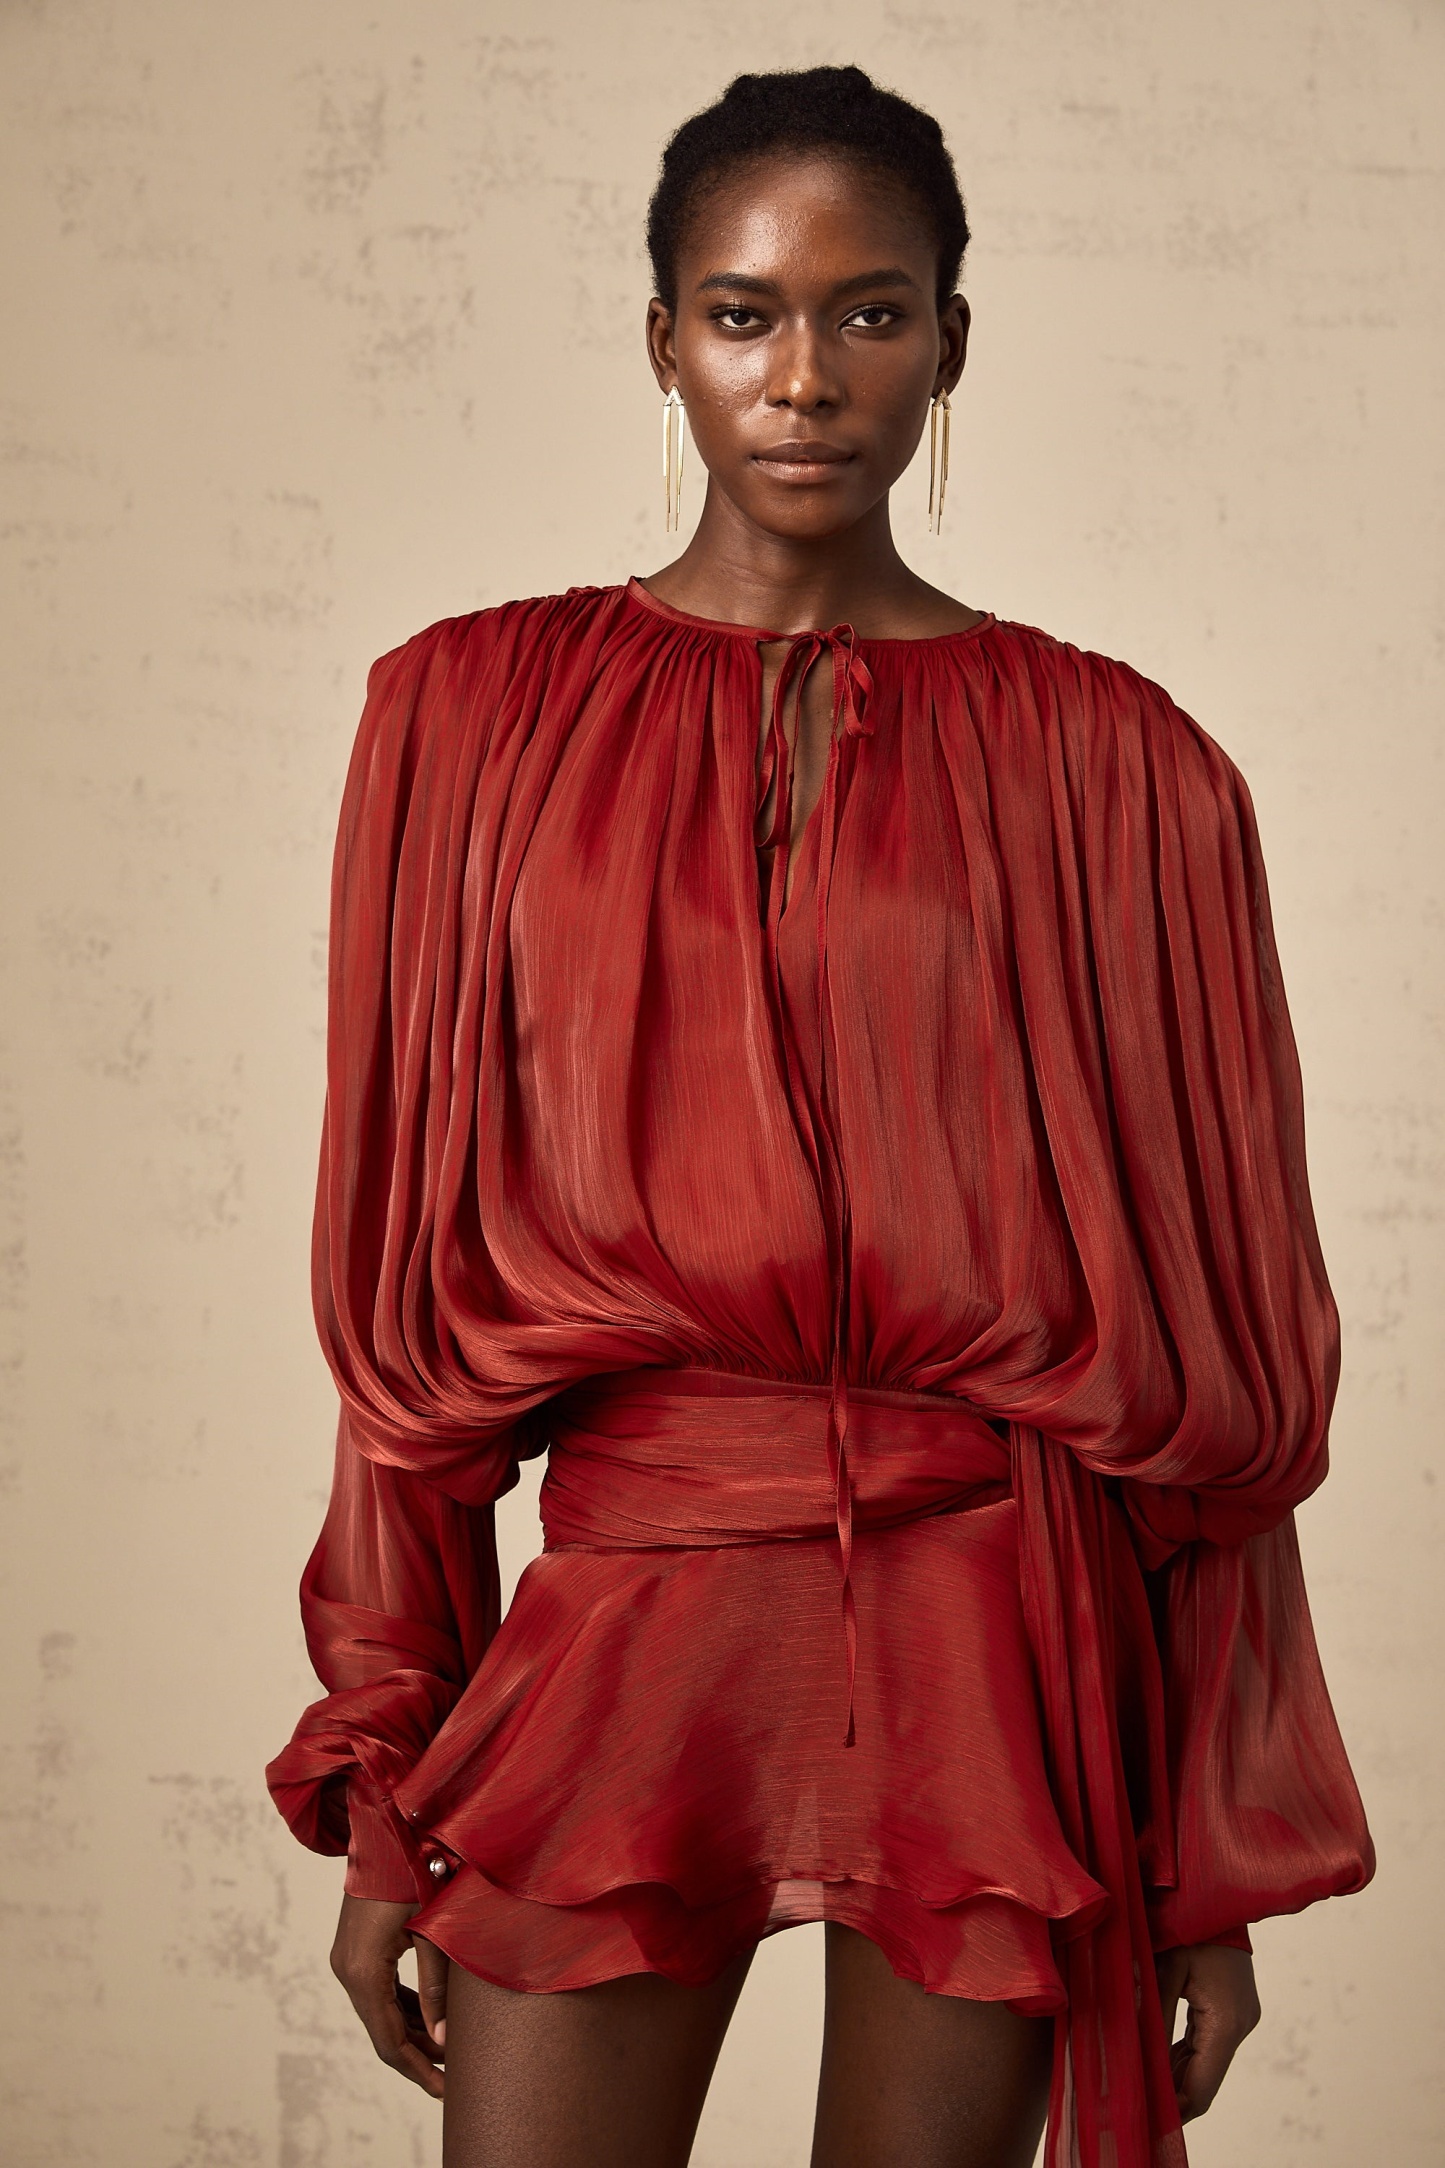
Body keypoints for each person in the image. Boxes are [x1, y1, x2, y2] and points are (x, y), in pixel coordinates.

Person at [267, 65, 1372, 2168]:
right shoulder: (466, 719)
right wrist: (394, 1758)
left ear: (951, 338)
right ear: (661, 339)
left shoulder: (1124, 769)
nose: (802, 377)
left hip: (995, 1627)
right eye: (743, 313)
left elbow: (1211, 1367)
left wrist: (1201, 1856)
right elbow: (405, 1325)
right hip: (631, 1609)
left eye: (869, 313)